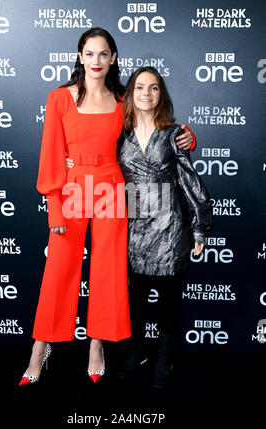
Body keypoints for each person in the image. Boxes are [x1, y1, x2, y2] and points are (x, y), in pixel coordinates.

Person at [20, 27, 195, 387]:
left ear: (113, 59)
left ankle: (96, 347)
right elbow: (51, 156)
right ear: (80, 57)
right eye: (90, 53)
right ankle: (40, 349)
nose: (97, 60)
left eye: (104, 54)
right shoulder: (59, 99)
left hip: (114, 189)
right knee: (58, 273)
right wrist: (54, 206)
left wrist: (186, 137)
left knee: (108, 273)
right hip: (71, 190)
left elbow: (152, 127)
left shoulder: (122, 100)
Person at [115, 66, 213, 388]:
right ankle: (137, 353)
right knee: (137, 298)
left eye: (154, 88)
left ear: (161, 95)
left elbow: (189, 180)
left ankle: (164, 356)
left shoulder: (173, 133)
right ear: (130, 93)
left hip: (170, 225)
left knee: (170, 298)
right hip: (134, 225)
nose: (146, 93)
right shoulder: (118, 133)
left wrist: (199, 227)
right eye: (140, 87)